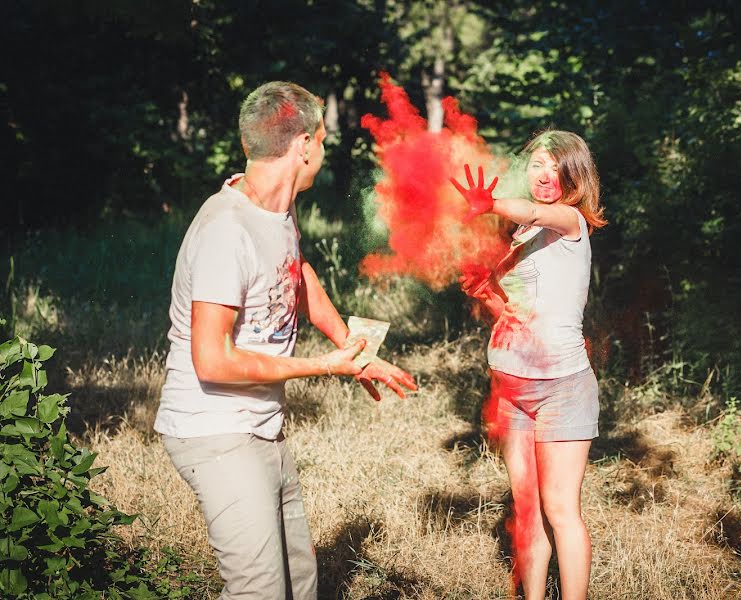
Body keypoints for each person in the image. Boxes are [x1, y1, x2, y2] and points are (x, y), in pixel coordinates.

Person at [153, 81, 416, 600]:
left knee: (299, 582)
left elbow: (293, 272)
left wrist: (354, 351)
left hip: (259, 427)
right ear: (303, 146)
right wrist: (325, 366)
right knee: (260, 593)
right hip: (213, 430)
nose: (322, 151)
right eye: (321, 141)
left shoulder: (276, 208)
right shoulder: (226, 231)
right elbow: (213, 360)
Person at [451, 130, 606, 600]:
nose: (544, 174)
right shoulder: (520, 234)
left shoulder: (570, 220)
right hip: (510, 385)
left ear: (573, 176)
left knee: (560, 509)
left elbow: (538, 209)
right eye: (537, 163)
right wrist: (487, 293)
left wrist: (490, 204)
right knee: (527, 511)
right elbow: (519, 311)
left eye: (555, 166)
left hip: (562, 387)